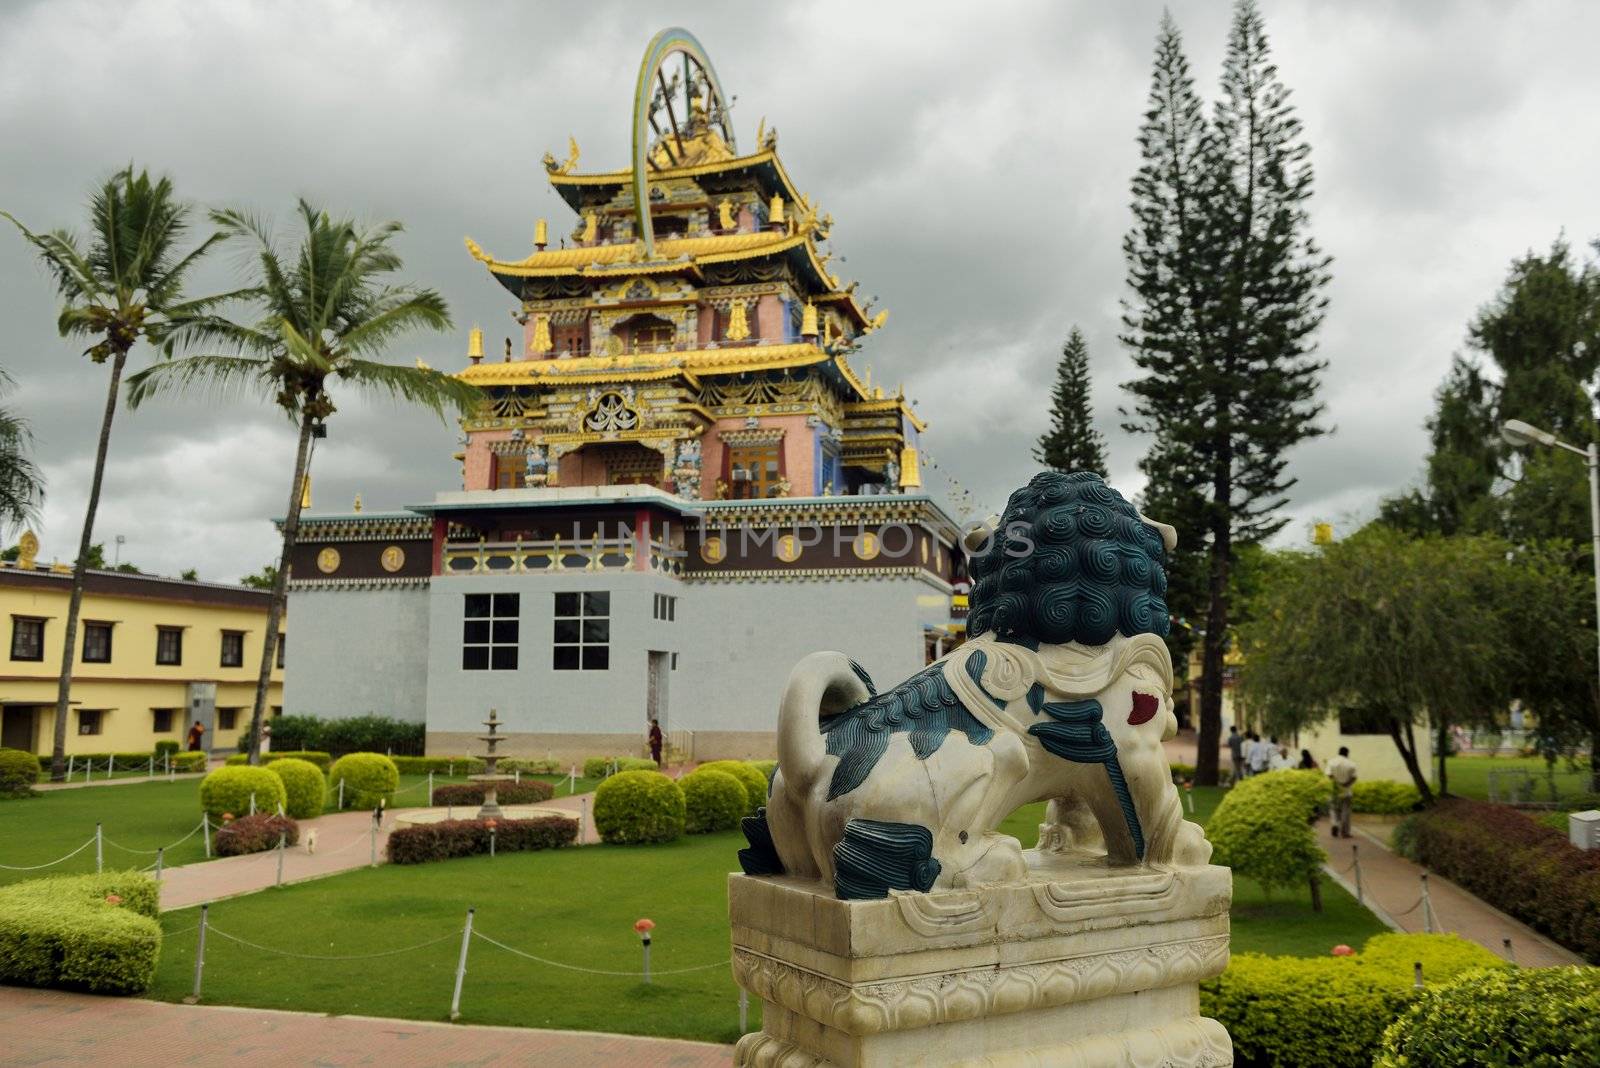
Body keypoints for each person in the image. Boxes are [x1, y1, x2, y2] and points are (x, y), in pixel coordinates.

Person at [1327, 746, 1358, 837]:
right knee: (1346, 811)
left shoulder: (1331, 762)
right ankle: (1344, 832)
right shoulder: (1351, 763)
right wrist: (1346, 784)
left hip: (1334, 791)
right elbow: (1354, 777)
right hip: (1346, 791)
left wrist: (1337, 784)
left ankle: (1335, 824)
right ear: (1347, 753)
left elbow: (1329, 775)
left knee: (1333, 809)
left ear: (1339, 752)